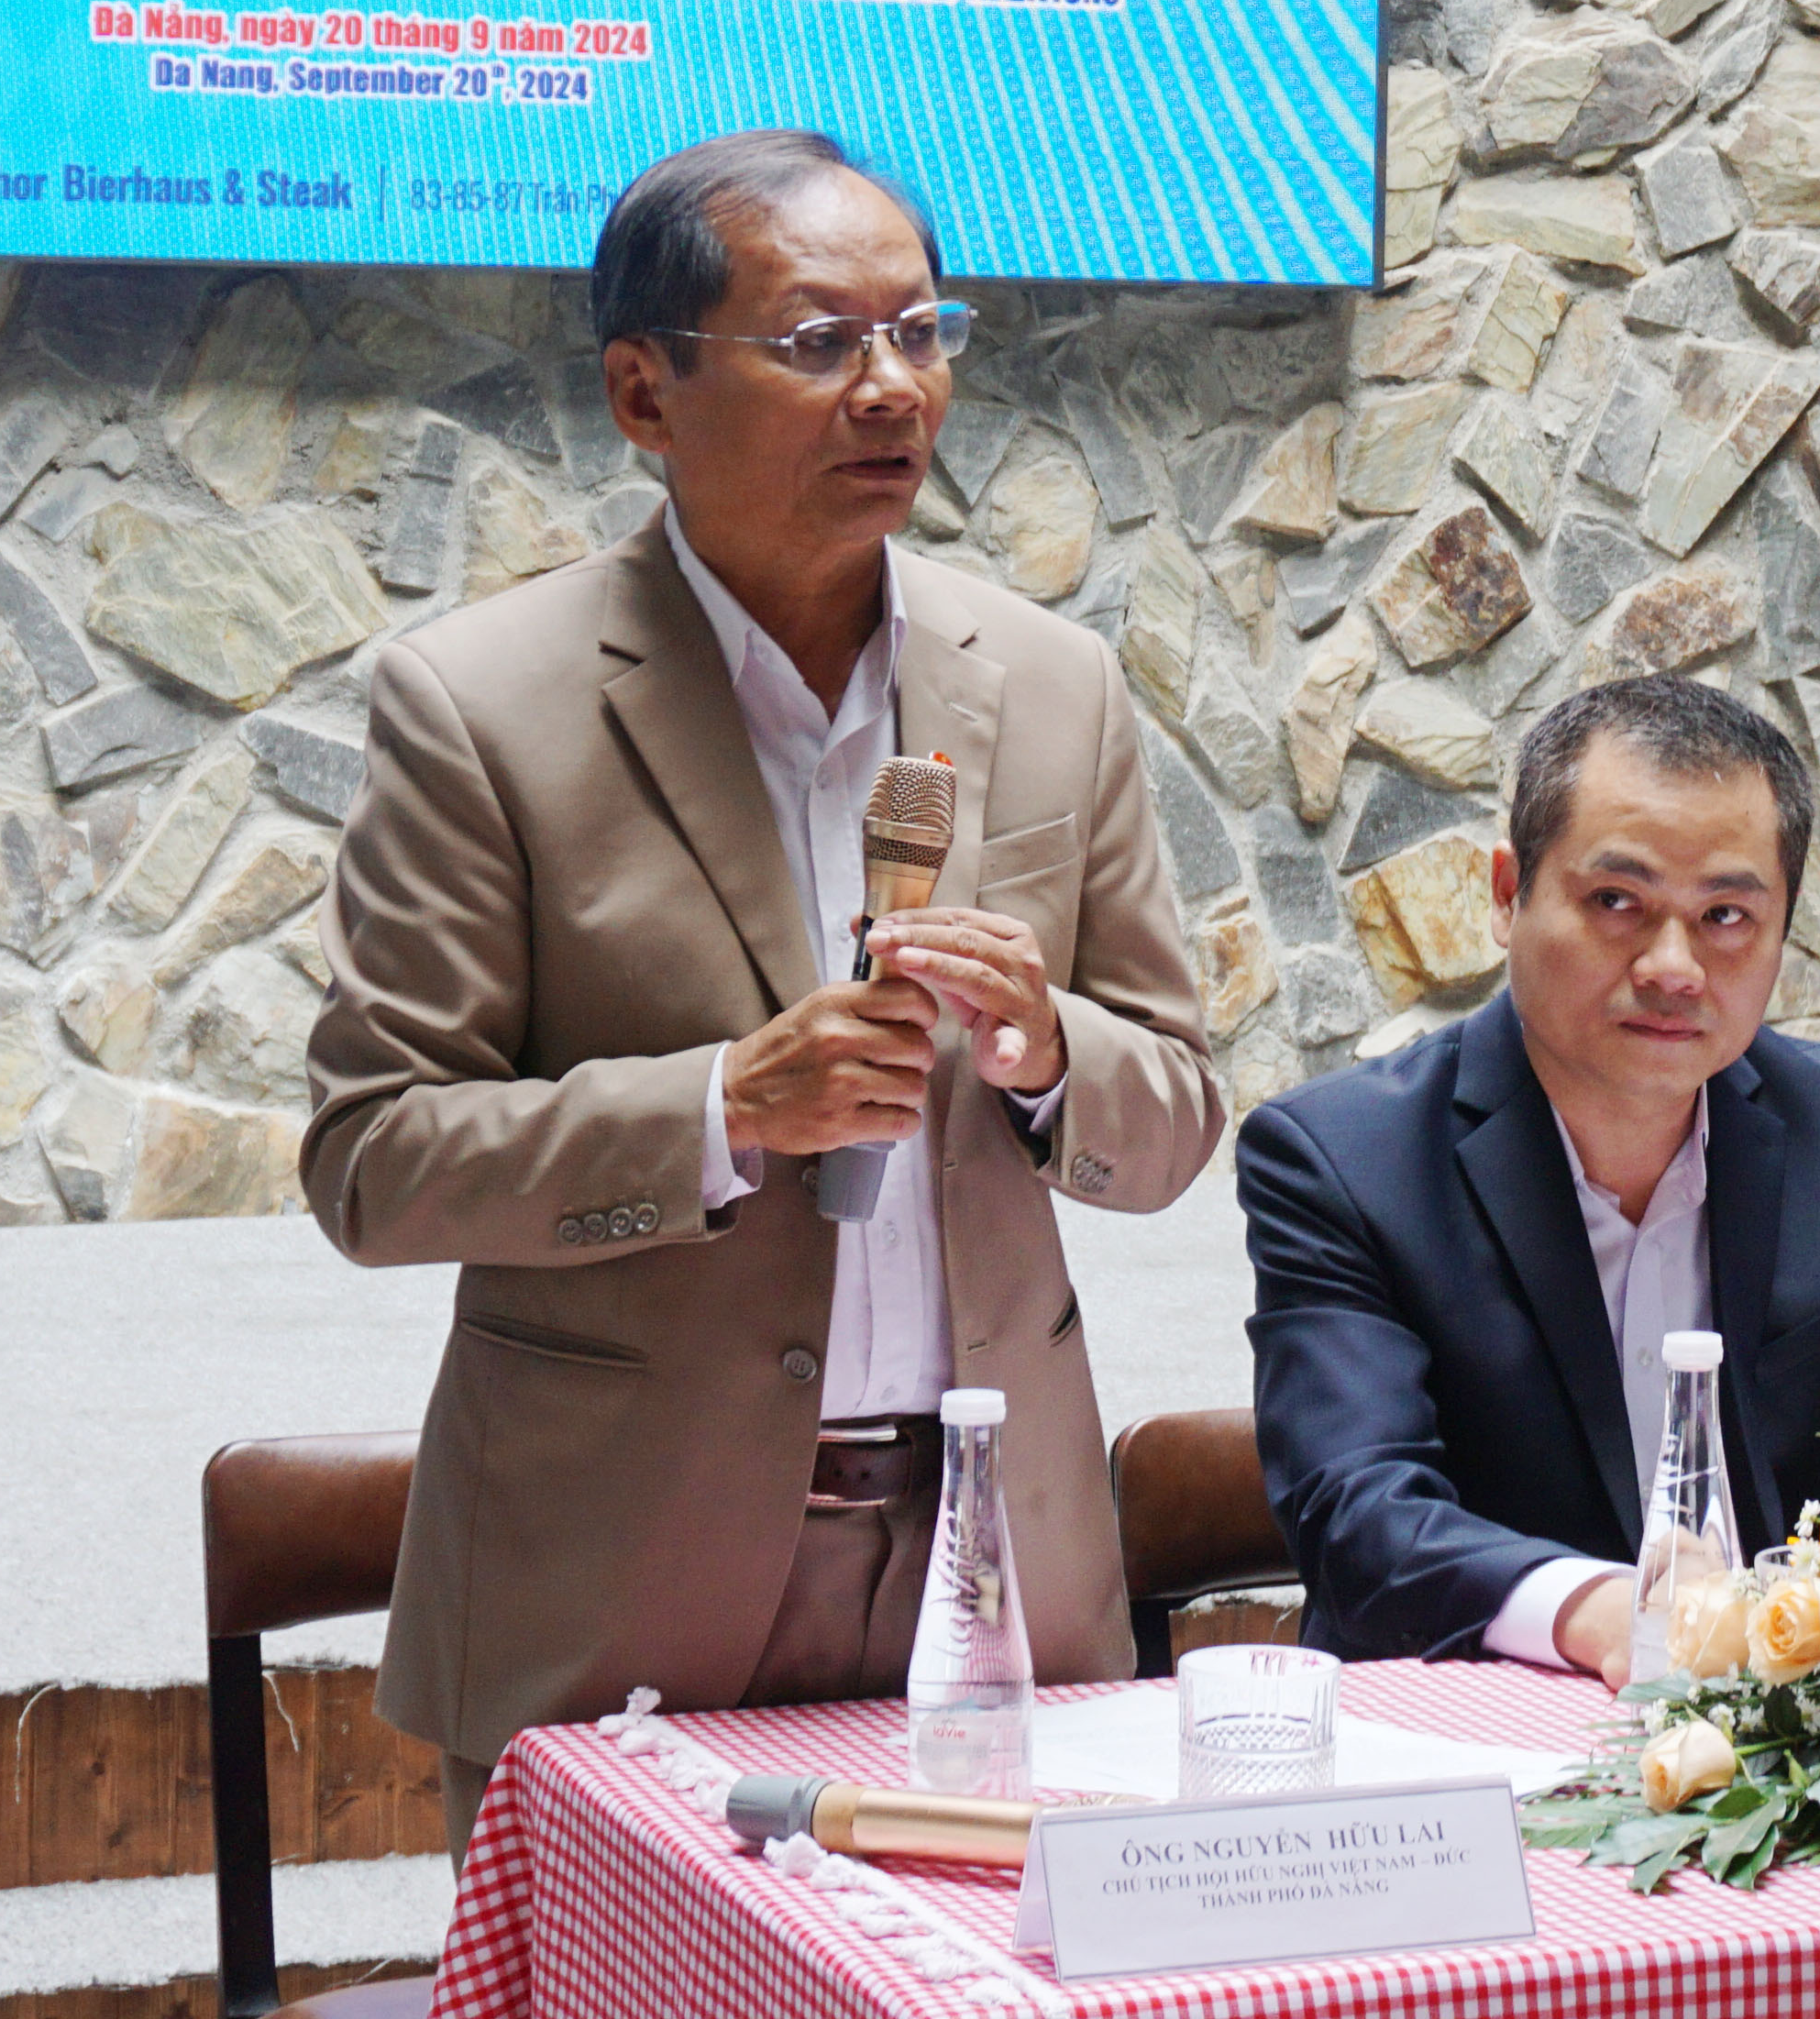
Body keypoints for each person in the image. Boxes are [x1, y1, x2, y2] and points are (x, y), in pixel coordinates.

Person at [302, 129, 1227, 1846]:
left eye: (922, 331)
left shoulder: (1051, 684)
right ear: (644, 394)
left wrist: (1044, 1057)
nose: (893, 389)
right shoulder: (480, 705)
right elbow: (371, 1161)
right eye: (820, 343)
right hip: (619, 1578)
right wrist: (723, 1110)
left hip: (991, 1559)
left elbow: (1170, 1122)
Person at [1240, 676, 1820, 1676]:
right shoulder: (1343, 1162)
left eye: (1726, 915)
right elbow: (1356, 1515)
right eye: (1617, 901)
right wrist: (1602, 1607)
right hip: (1472, 1738)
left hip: (1802, 1738)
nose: (1674, 965)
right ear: (1504, 892)